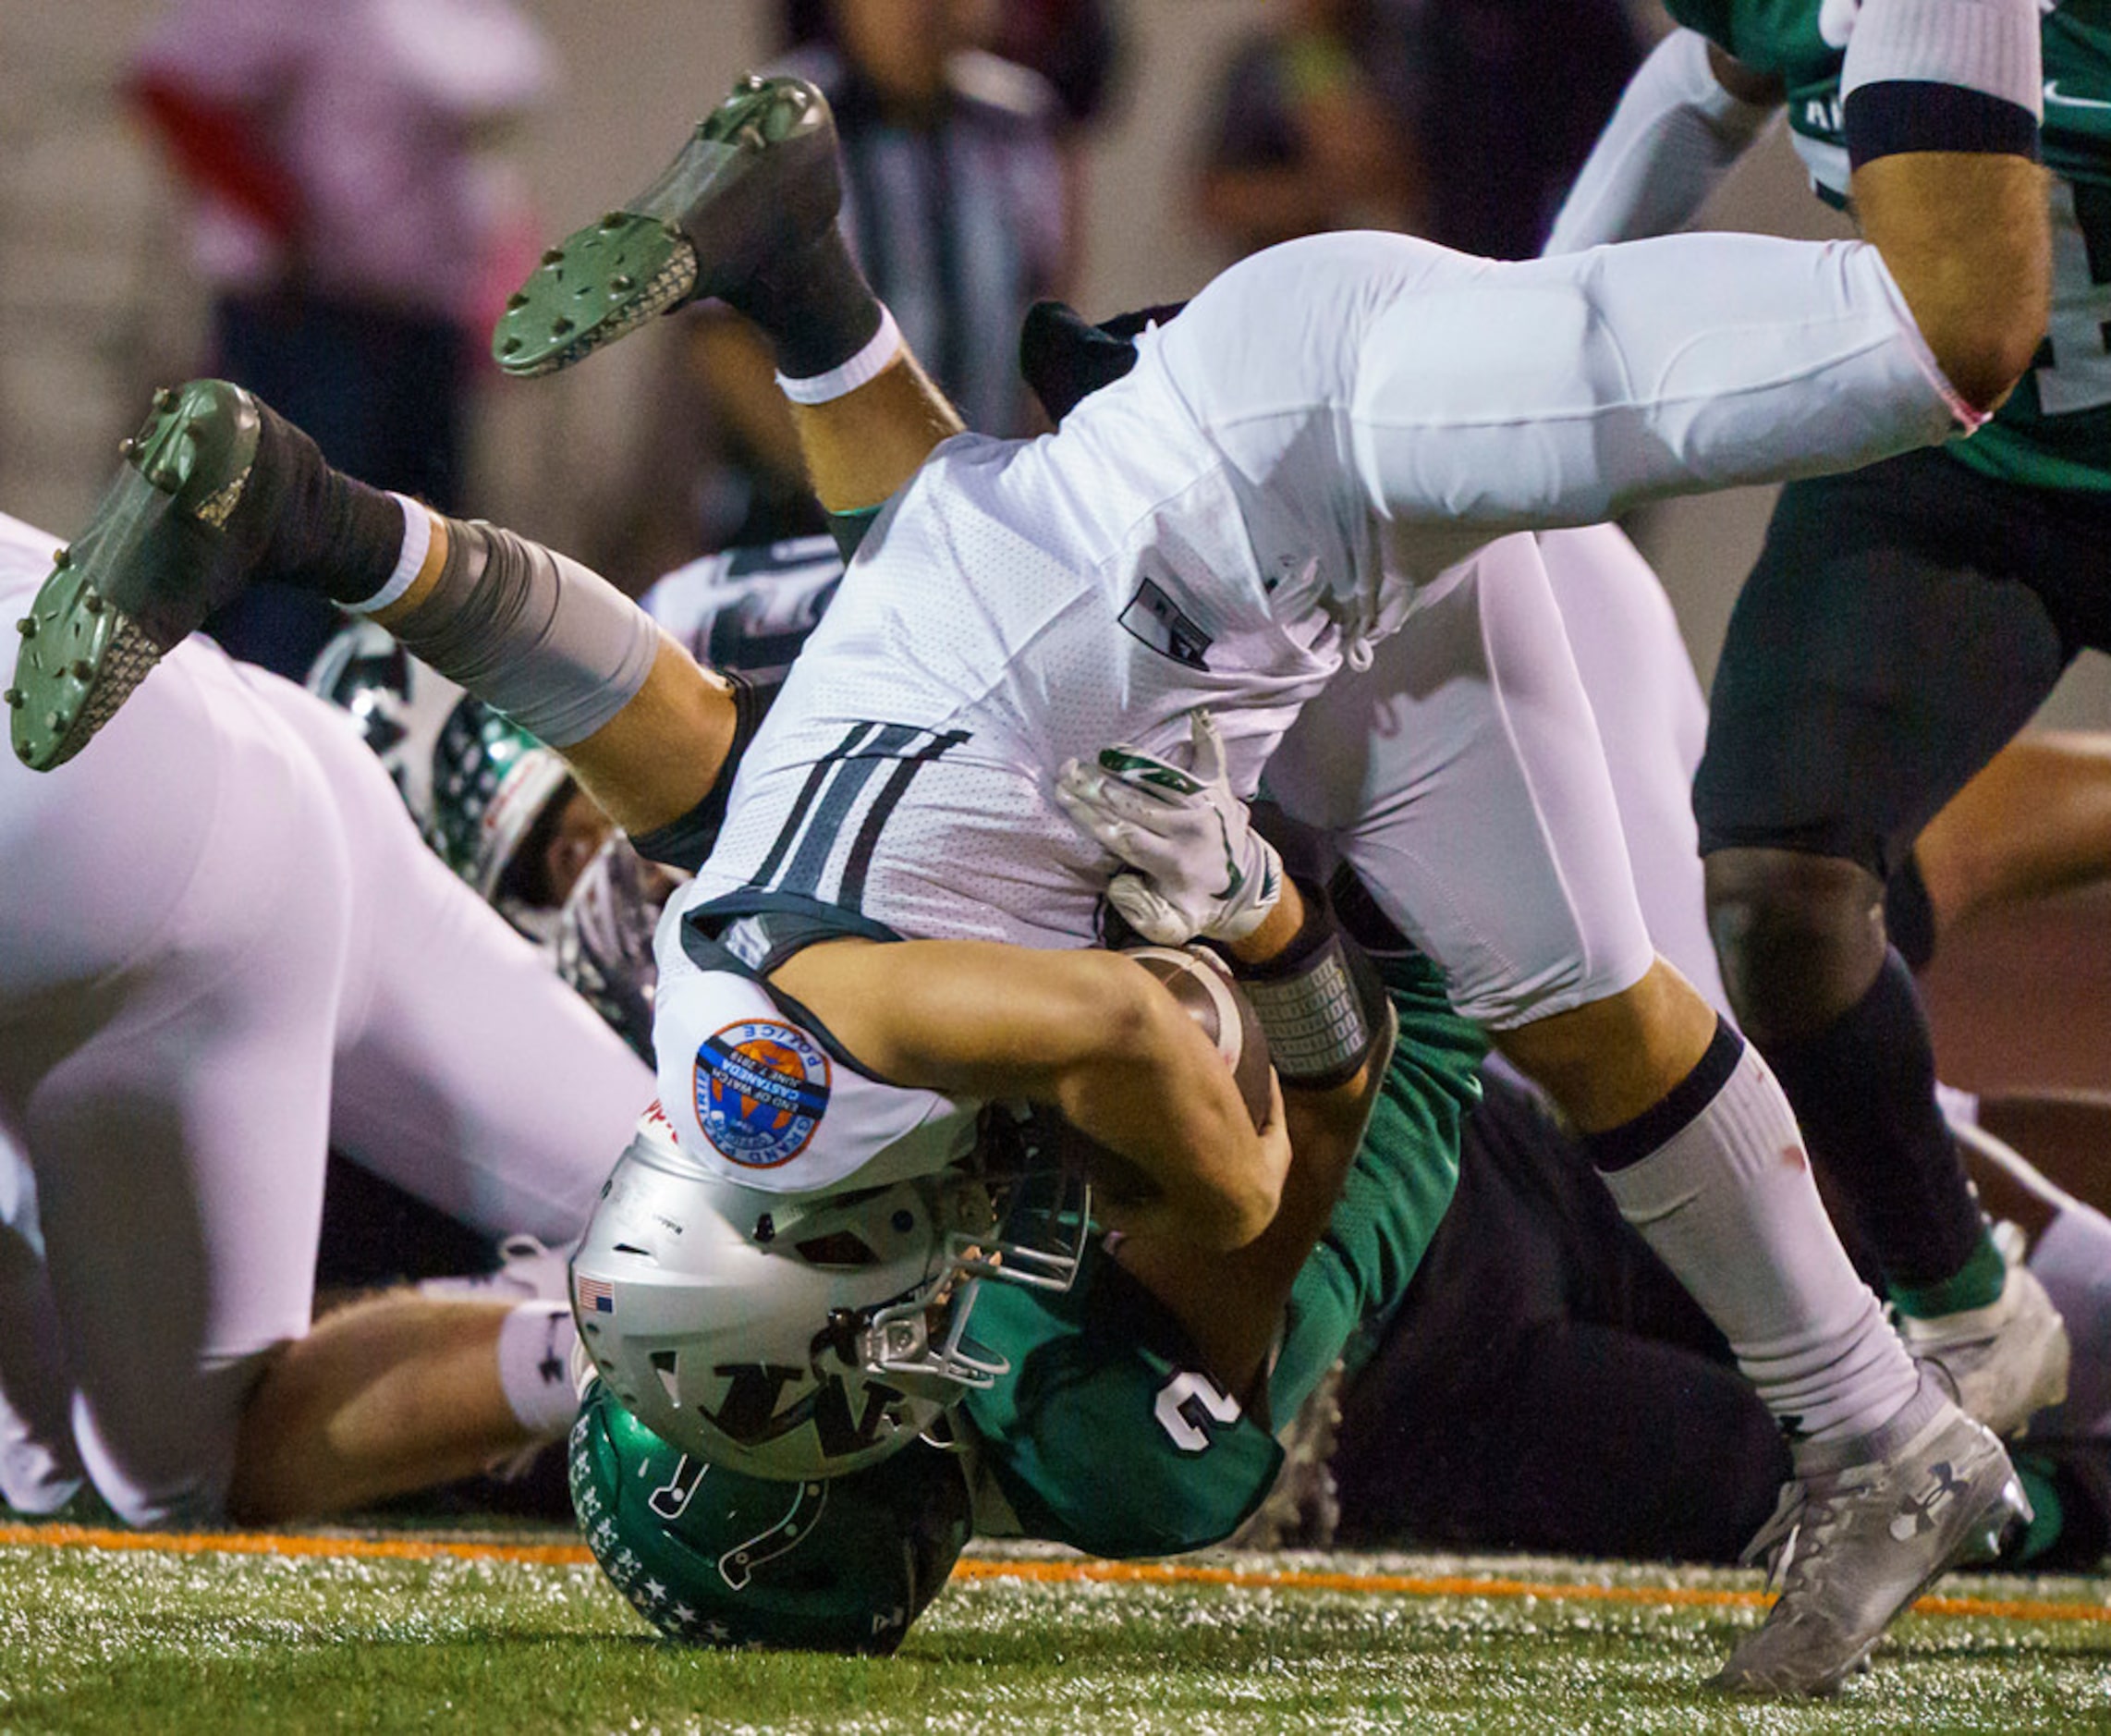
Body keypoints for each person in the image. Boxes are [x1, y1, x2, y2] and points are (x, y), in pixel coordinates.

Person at [13, 19, 2054, 1686]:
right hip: (1239, 578)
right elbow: (679, 721)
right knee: (1601, 1015)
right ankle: (1885, 1429)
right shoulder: (733, 975)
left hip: (1271, 492)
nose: (905, 1357)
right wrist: (358, 543)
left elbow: (1188, 1071)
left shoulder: (884, 1102)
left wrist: (1246, 954)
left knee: (1936, 334)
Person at [1541, 0, 2111, 1455]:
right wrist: (1527, 366)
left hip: (1998, 403)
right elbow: (1707, 75)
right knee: (1777, 896)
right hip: (1963, 453)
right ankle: (1962, 1302)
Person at [0, 508, 648, 1527]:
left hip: (123, 898)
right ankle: (736, 1310)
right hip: (249, 718)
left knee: (135, 1485)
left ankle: (662, 1342)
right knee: (701, 1203)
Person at [127, 0, 555, 678]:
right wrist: (281, 224)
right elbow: (174, 85)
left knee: (423, 579)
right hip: (313, 328)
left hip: (420, 331)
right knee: (288, 581)